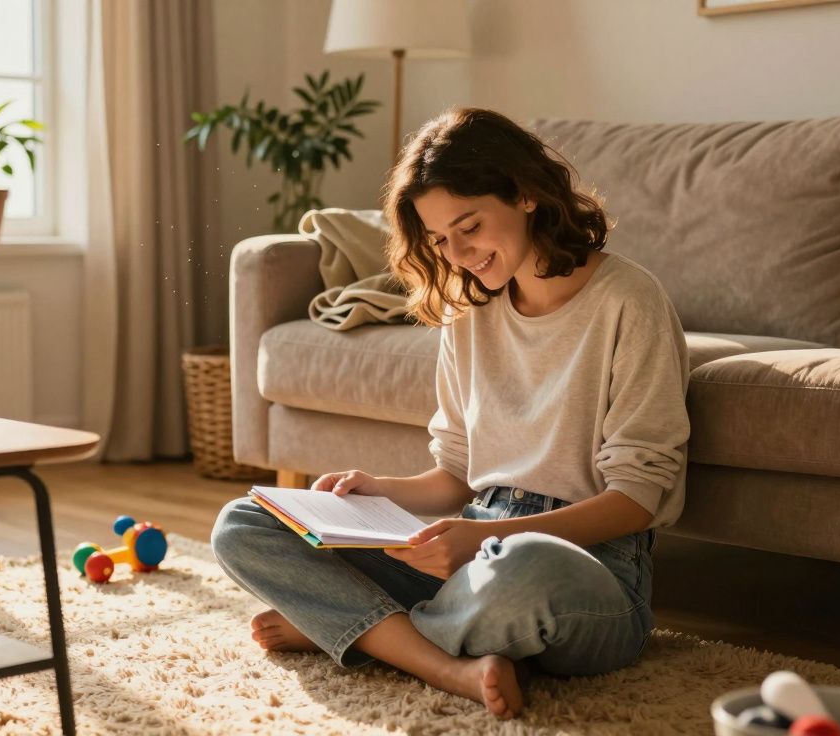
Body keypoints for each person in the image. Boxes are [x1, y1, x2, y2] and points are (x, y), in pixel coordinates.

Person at [211, 106, 691, 720]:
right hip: (469, 559)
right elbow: (457, 477)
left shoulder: (630, 301)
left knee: (522, 571)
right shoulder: (470, 312)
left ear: (525, 194)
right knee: (244, 523)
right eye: (440, 240)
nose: (459, 254)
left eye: (470, 226)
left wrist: (487, 539)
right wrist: (377, 490)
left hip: (584, 570)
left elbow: (636, 500)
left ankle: (361, 629)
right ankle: (444, 658)